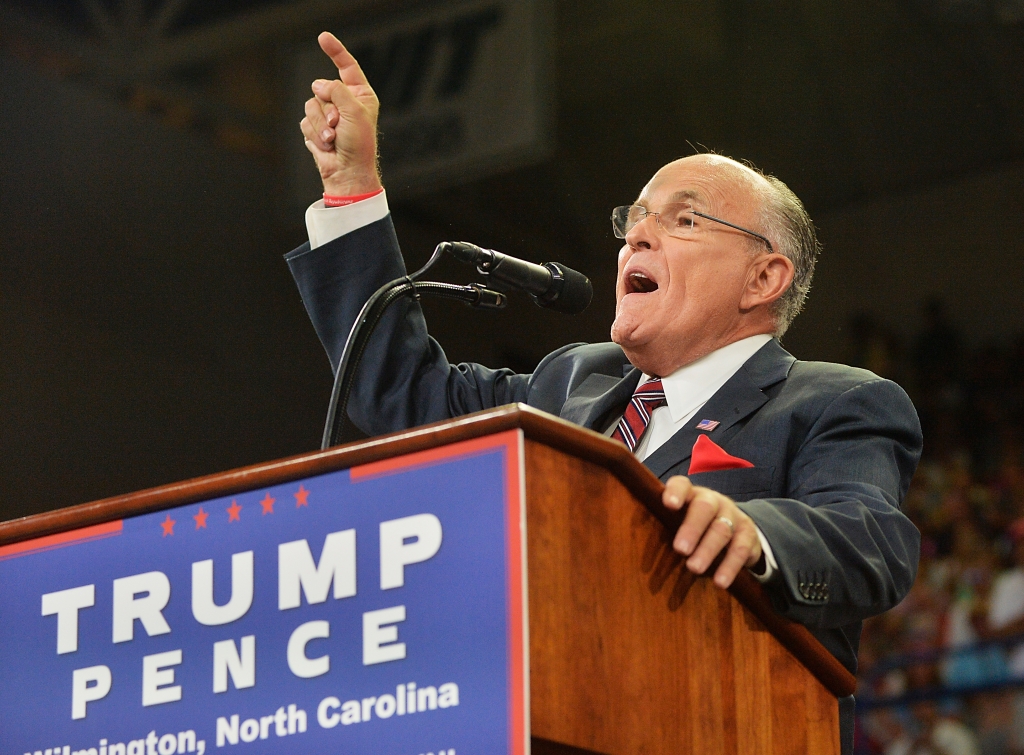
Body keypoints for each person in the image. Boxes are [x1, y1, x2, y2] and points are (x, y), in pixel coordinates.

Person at [286, 32, 923, 754]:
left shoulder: (836, 401)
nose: (638, 235)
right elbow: (396, 391)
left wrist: (756, 532)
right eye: (635, 218)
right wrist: (353, 187)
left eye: (683, 218)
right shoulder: (572, 381)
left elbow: (872, 537)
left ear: (763, 279)